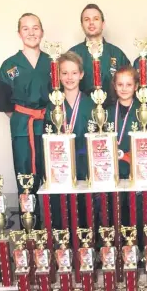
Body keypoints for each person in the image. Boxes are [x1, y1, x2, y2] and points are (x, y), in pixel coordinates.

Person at [0, 13, 51, 230]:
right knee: (25, 176)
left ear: (42, 32)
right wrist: (26, 115)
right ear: (19, 33)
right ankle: (30, 226)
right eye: (26, 29)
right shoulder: (10, 65)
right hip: (22, 128)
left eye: (35, 28)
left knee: (54, 174)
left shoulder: (53, 62)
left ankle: (56, 225)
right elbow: (5, 105)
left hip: (49, 126)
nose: (31, 32)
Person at [45, 51, 94, 229]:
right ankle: (63, 241)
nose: (69, 77)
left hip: (85, 164)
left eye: (74, 73)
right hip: (60, 165)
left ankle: (89, 239)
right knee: (62, 207)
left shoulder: (91, 104)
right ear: (58, 76)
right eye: (64, 73)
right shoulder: (52, 105)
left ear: (81, 75)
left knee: (86, 207)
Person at [107, 66, 143, 245]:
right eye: (120, 84)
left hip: (136, 170)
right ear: (114, 86)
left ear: (136, 86)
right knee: (115, 209)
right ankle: (115, 244)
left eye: (129, 84)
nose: (124, 88)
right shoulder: (105, 112)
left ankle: (139, 243)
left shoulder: (144, 111)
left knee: (137, 209)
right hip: (113, 170)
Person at [70, 4, 130, 106]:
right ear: (82, 25)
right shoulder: (73, 54)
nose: (91, 23)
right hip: (81, 113)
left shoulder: (117, 54)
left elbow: (129, 84)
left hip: (113, 113)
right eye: (87, 19)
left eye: (96, 19)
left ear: (103, 24)